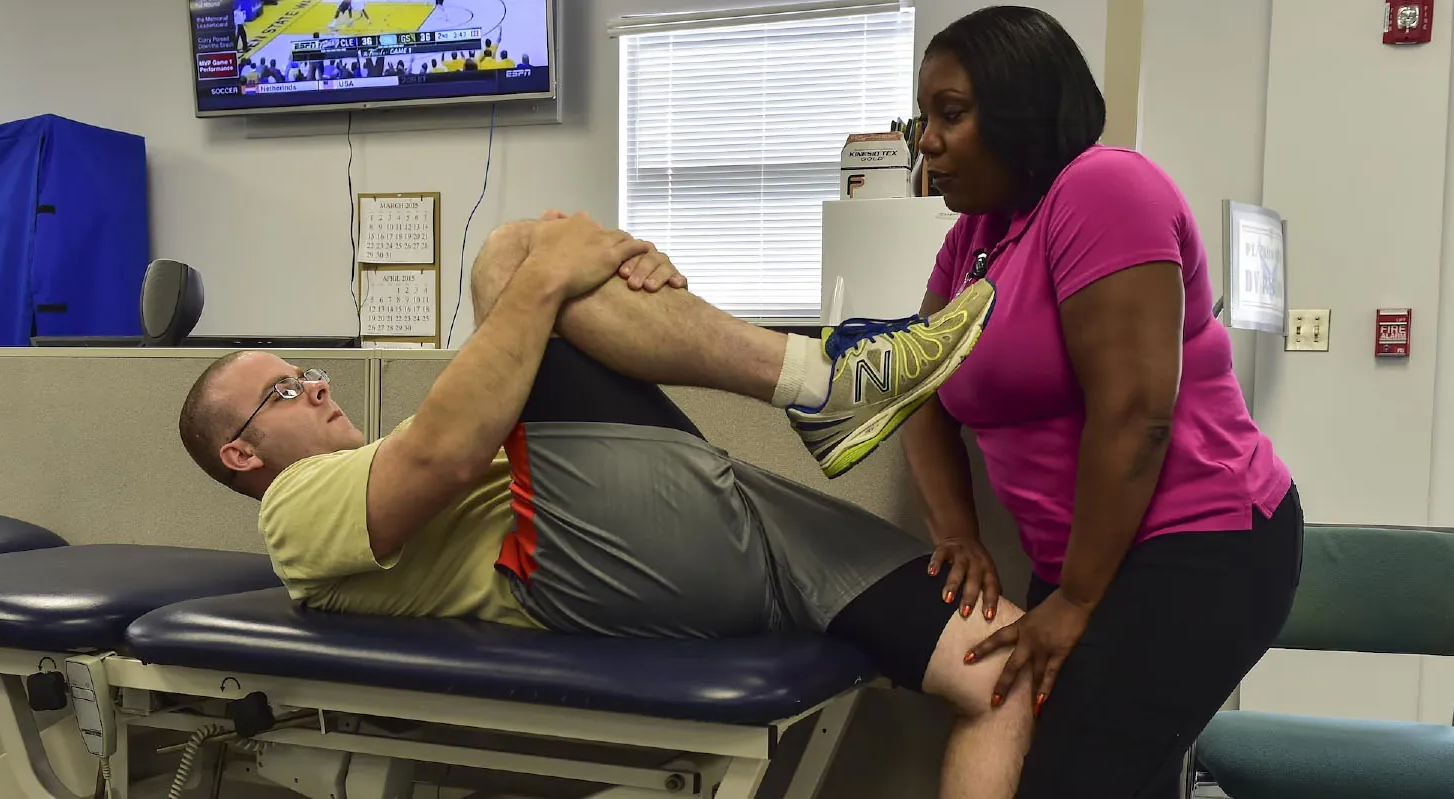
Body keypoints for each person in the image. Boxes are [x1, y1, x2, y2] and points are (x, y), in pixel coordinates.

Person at [178, 213, 1027, 797]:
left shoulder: (387, 447)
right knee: (512, 253)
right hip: (595, 567)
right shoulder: (292, 509)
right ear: (242, 453)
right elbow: (449, 449)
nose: (317, 383)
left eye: (309, 370)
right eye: (287, 388)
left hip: (724, 513)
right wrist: (554, 268)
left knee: (1001, 664)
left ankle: (828, 387)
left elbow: (474, 408)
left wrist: (621, 276)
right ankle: (828, 381)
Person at [903, 7, 1303, 799]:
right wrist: (956, 531)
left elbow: (1136, 412)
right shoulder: (975, 236)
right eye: (925, 117)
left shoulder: (1103, 188)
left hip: (1201, 546)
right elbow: (917, 384)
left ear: (1021, 110)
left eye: (951, 115)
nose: (925, 141)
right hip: (1088, 563)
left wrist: (1078, 599)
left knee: (1070, 779)